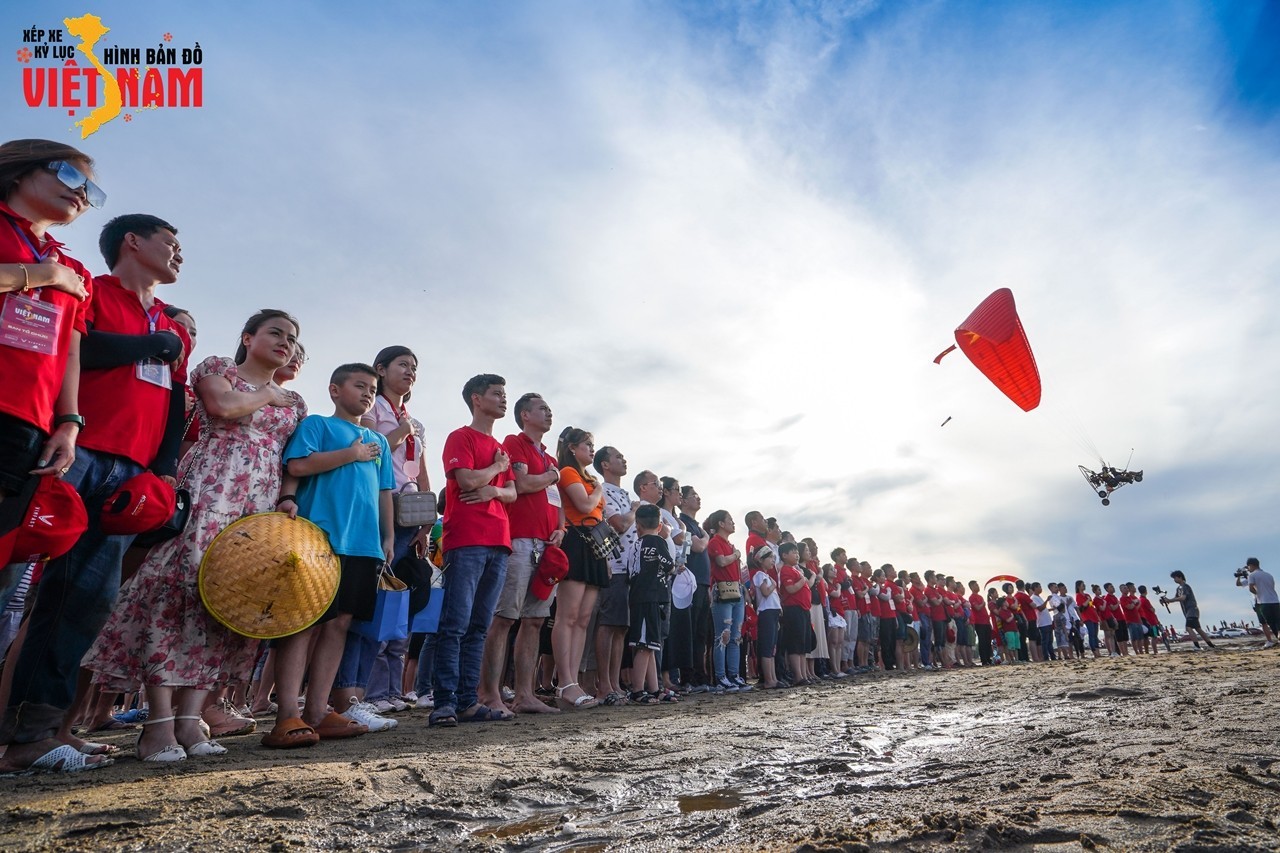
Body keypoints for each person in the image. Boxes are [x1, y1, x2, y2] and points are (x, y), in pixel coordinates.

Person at [1, 207, 194, 774]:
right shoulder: (90, 289)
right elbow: (74, 352)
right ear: (132, 242)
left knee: (84, 603)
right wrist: (146, 347)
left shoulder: (171, 323)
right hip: (70, 455)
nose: (179, 254)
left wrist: (162, 472)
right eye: (171, 242)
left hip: (130, 474)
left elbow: (175, 403)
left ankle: (37, 733)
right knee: (20, 585)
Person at [83, 309, 305, 760]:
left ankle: (191, 718)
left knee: (226, 600)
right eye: (275, 332)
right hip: (211, 486)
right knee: (177, 589)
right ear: (248, 336)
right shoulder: (220, 369)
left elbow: (288, 459)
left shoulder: (296, 401)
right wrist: (265, 393)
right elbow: (222, 408)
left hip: (257, 501)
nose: (285, 342)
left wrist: (286, 497)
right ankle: (157, 722)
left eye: (292, 337)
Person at [271, 362, 397, 746]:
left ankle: (318, 710)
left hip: (363, 544)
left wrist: (387, 535)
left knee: (340, 624)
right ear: (335, 390)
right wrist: (351, 454)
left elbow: (384, 491)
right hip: (318, 538)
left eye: (372, 390)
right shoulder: (317, 426)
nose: (367, 394)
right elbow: (297, 465)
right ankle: (287, 714)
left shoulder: (380, 442)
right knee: (304, 622)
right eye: (360, 386)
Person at [427, 374, 516, 726]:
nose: (503, 399)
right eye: (497, 394)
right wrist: (495, 469)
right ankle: (444, 703)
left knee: (479, 625)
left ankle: (468, 701)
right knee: (455, 623)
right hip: (466, 539)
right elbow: (464, 481)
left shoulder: (501, 449)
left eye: (504, 394)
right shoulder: (460, 437)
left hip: (499, 540)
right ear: (477, 399)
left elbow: (511, 494)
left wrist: (494, 489)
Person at [477, 392, 564, 715]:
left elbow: (558, 503)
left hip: (547, 545)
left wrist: (562, 529)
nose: (549, 412)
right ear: (525, 415)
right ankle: (489, 694)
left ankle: (525, 695)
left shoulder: (550, 458)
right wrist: (551, 477)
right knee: (504, 618)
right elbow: (523, 484)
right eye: (542, 408)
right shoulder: (514, 442)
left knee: (535, 620)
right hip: (519, 541)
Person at [357, 346, 431, 718]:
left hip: (411, 516)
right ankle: (370, 690)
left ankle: (392, 687)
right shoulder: (372, 407)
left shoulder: (412, 418)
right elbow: (373, 449)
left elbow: (419, 469)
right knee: (380, 598)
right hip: (381, 510)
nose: (410, 371)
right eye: (403, 364)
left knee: (404, 601)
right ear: (381, 369)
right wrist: (401, 431)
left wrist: (428, 521)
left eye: (414, 367)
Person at [552, 427, 609, 710]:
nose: (592, 449)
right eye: (587, 444)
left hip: (595, 545)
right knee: (568, 615)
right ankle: (564, 682)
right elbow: (586, 505)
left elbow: (601, 512)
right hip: (575, 540)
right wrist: (600, 487)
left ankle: (572, 681)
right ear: (573, 448)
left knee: (584, 618)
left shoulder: (586, 476)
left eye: (593, 444)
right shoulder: (568, 471)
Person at [593, 446, 635, 706]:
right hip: (614, 564)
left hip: (630, 569)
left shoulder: (625, 494)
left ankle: (615, 682)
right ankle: (604, 684)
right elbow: (619, 525)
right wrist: (635, 512)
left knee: (621, 627)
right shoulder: (604, 489)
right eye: (618, 456)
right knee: (608, 625)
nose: (623, 459)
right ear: (605, 465)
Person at [625, 504, 673, 704]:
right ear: (660, 525)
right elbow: (668, 564)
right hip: (649, 597)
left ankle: (654, 688)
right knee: (645, 645)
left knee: (650, 645)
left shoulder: (635, 544)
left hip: (638, 596)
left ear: (637, 525)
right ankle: (637, 690)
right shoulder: (657, 541)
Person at [705, 510, 748, 693]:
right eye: (729, 520)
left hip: (736, 590)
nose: (733, 523)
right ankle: (721, 677)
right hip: (722, 590)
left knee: (735, 636)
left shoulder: (729, 544)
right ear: (721, 524)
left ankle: (733, 675)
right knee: (723, 635)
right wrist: (736, 555)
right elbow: (721, 562)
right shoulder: (715, 542)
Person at [678, 486, 712, 693]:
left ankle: (701, 677)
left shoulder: (697, 525)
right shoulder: (683, 523)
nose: (698, 499)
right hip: (688, 583)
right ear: (682, 500)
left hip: (703, 583)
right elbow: (698, 546)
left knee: (701, 633)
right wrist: (707, 537)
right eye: (693, 496)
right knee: (689, 631)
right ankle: (688, 677)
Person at [1160, 571, 1215, 650]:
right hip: (1189, 611)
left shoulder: (1185, 587)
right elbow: (1176, 599)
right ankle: (1211, 645)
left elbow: (1182, 598)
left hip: (1192, 609)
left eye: (1175, 578)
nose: (1174, 580)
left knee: (1188, 628)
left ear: (1180, 577)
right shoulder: (1179, 588)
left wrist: (1170, 600)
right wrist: (1166, 600)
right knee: (1198, 629)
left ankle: (1197, 646)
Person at [1236, 558, 1278, 647]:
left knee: (1265, 622)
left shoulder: (1252, 576)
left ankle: (1270, 641)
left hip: (1262, 602)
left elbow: (1250, 588)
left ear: (1251, 565)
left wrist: (1258, 594)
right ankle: (1277, 638)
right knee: (1277, 621)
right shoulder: (1268, 575)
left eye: (1248, 567)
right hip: (1275, 600)